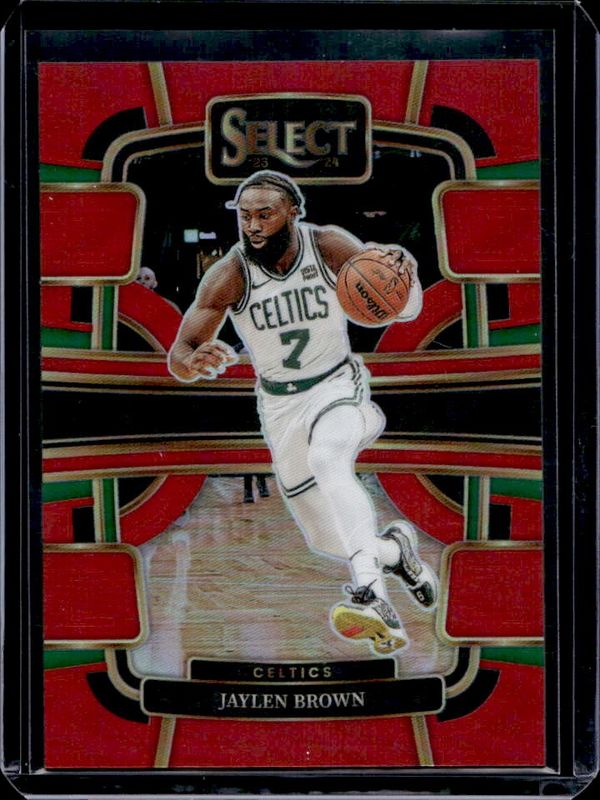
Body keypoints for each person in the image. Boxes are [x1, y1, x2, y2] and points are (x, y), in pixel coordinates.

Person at [168, 170, 437, 655]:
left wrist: (407, 276)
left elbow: (405, 309)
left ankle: (372, 598)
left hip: (337, 386)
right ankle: (395, 552)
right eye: (245, 216)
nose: (253, 226)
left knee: (328, 458)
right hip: (279, 406)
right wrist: (192, 362)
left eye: (264, 215)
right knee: (326, 539)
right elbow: (181, 351)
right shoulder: (229, 273)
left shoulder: (327, 244)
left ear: (293, 212)